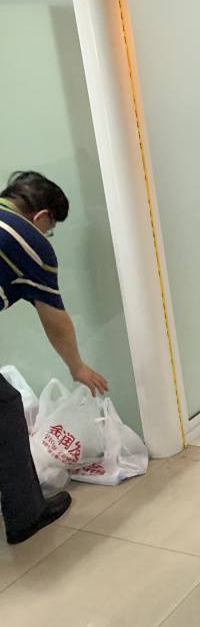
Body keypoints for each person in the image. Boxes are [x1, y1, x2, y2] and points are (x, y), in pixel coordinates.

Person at [1, 172, 108, 545]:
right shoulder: (28, 240)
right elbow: (55, 318)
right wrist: (77, 367)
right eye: (50, 229)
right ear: (42, 216)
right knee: (5, 409)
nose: (46, 235)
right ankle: (26, 515)